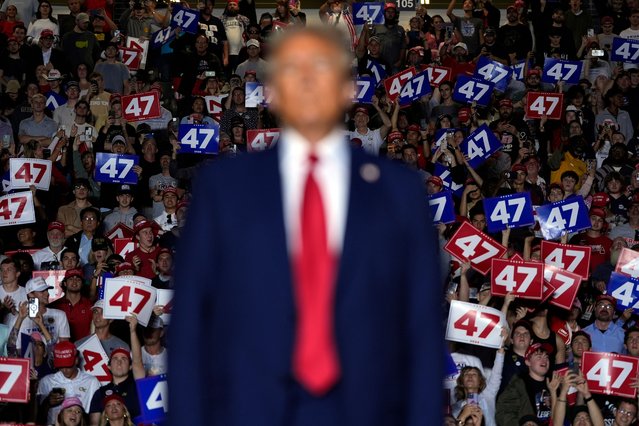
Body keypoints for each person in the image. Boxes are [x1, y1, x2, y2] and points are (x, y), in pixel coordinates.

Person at [169, 25, 442, 425]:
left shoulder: (398, 190)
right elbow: (191, 330)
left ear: (348, 89)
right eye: (294, 69)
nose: (310, 80)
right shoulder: (224, 188)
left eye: (323, 67)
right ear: (272, 91)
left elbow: (421, 335)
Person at [37, 341, 100, 425]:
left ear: (76, 360)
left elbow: (96, 417)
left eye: (67, 365)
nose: (64, 369)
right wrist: (47, 403)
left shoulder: (91, 382)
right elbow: (37, 418)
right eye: (61, 366)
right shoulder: (46, 381)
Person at [496, 343, 553, 425]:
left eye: (546, 357)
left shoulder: (554, 382)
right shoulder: (517, 385)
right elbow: (503, 414)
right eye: (539, 357)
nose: (544, 360)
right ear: (528, 362)